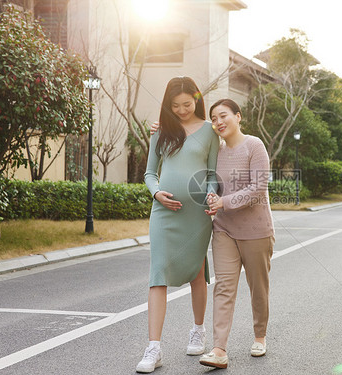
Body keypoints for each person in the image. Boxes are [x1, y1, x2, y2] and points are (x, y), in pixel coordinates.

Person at [136, 76, 219, 373]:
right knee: (157, 273)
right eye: (175, 105)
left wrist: (211, 193)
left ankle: (198, 330)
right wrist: (156, 192)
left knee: (197, 271)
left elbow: (211, 172)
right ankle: (153, 348)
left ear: (197, 99)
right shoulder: (162, 130)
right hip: (163, 213)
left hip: (196, 214)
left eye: (187, 104)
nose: (182, 110)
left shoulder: (210, 132)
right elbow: (149, 173)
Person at [199, 99, 275, 369]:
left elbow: (257, 188)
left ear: (238, 117)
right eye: (214, 118)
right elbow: (213, 182)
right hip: (224, 229)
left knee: (258, 288)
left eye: (223, 116)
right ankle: (219, 350)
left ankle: (260, 336)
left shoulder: (254, 146)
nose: (219, 122)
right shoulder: (215, 151)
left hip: (256, 231)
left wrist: (224, 202)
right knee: (224, 288)